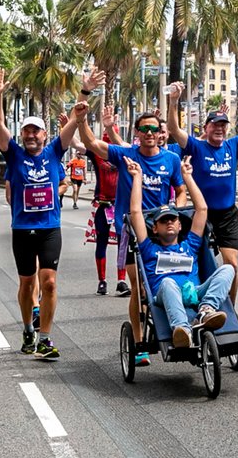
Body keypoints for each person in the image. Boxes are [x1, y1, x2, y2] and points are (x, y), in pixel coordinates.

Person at [0, 67, 100, 358]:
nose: (30, 135)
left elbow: (76, 118)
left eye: (35, 130)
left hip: (50, 227)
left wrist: (85, 90)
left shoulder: (54, 150)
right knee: (27, 283)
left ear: (44, 134)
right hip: (23, 230)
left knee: (49, 282)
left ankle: (45, 338)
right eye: (26, 130)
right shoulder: (13, 153)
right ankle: (28, 329)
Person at [77, 105, 183, 364]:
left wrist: (175, 212)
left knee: (170, 280)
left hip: (161, 231)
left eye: (153, 129)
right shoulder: (125, 155)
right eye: (144, 129)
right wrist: (81, 118)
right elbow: (91, 142)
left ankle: (176, 325)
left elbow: (180, 190)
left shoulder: (171, 159)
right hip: (131, 230)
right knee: (139, 287)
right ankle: (139, 342)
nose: (149, 133)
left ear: (160, 133)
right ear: (137, 132)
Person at [164, 79, 238, 303]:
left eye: (223, 125)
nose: (220, 128)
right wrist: (173, 100)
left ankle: (229, 310)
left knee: (232, 265)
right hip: (200, 214)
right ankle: (193, 300)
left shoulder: (233, 145)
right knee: (196, 261)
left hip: (227, 214)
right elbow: (174, 129)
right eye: (215, 124)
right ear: (206, 128)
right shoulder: (196, 146)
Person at [125, 156, 234, 350]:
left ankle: (206, 310)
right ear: (155, 228)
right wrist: (137, 178)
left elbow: (202, 209)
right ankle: (182, 331)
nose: (169, 222)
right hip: (164, 293)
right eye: (163, 220)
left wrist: (187, 177)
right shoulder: (150, 248)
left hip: (194, 291)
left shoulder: (190, 244)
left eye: (172, 219)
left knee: (228, 269)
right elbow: (136, 213)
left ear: (179, 224)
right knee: (168, 282)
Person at [87, 109, 124, 296]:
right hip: (103, 205)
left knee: (122, 243)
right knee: (100, 243)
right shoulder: (96, 153)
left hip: (121, 206)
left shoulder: (124, 153)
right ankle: (102, 281)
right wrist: (75, 122)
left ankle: (121, 280)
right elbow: (80, 143)